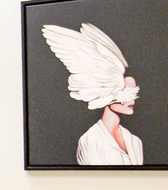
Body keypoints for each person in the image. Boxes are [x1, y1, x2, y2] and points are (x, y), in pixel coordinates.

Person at [41, 22, 144, 166]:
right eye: (125, 93)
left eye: (134, 94)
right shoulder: (91, 140)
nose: (131, 101)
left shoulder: (135, 142)